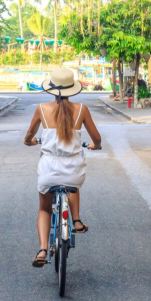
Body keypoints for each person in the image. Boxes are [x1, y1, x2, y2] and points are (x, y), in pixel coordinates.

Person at [24, 68, 101, 268]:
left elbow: (28, 137)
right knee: (72, 185)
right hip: (74, 170)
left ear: (51, 89)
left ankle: (42, 249)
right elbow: (97, 139)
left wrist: (31, 141)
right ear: (72, 89)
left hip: (49, 170)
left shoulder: (41, 109)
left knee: (44, 208)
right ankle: (76, 220)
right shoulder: (82, 109)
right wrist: (96, 146)